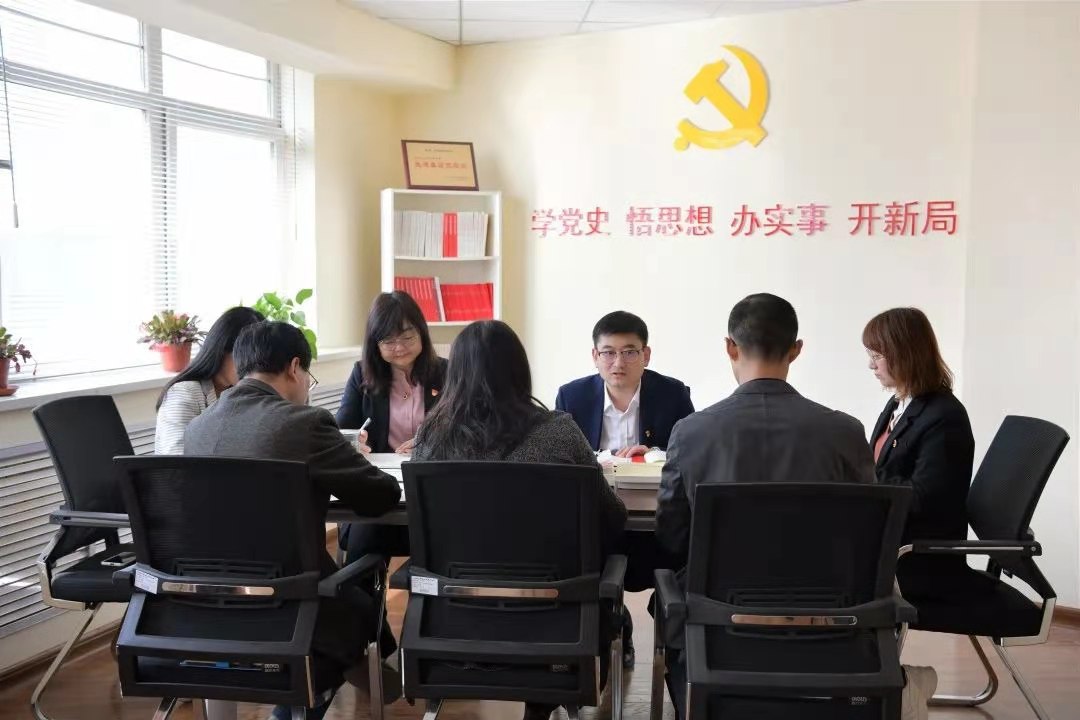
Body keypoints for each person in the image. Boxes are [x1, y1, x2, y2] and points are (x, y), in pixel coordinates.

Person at [655, 293, 875, 720]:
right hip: (826, 619)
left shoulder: (691, 432)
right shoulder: (845, 432)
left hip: (719, 622)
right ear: (796, 350)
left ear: (730, 347)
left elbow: (673, 536)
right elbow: (865, 533)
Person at [184, 321, 403, 720]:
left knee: (337, 613)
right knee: (355, 609)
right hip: (290, 601)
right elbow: (379, 495)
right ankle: (351, 678)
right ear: (294, 367)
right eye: (308, 377)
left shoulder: (198, 428)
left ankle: (352, 676)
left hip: (207, 601)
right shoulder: (303, 423)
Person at [413, 320, 627, 720]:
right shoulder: (559, 432)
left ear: (455, 373)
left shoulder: (430, 438)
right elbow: (612, 517)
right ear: (519, 370)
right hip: (554, 625)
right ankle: (540, 702)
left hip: (454, 623)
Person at [863, 307, 974, 601]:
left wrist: (862, 480)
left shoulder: (945, 416)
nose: (871, 365)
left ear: (904, 354)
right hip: (890, 536)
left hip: (916, 558)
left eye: (877, 356)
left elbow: (924, 498)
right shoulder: (899, 403)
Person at [336, 291, 447, 562]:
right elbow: (340, 430)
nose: (399, 347)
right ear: (375, 343)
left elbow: (466, 429)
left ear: (422, 333)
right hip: (380, 490)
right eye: (388, 341)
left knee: (446, 539)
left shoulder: (448, 373)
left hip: (434, 490)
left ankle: (425, 592)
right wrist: (354, 440)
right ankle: (362, 590)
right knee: (364, 539)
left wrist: (430, 442)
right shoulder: (362, 375)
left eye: (407, 337)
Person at [556, 310, 694, 456]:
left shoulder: (673, 394)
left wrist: (654, 453)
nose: (618, 363)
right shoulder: (570, 398)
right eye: (609, 353)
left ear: (646, 356)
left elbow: (693, 449)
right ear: (595, 357)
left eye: (629, 352)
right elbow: (559, 456)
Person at [153, 306, 264, 454]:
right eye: (247, 358)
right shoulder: (185, 393)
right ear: (223, 349)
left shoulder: (243, 394)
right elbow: (177, 461)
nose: (253, 368)